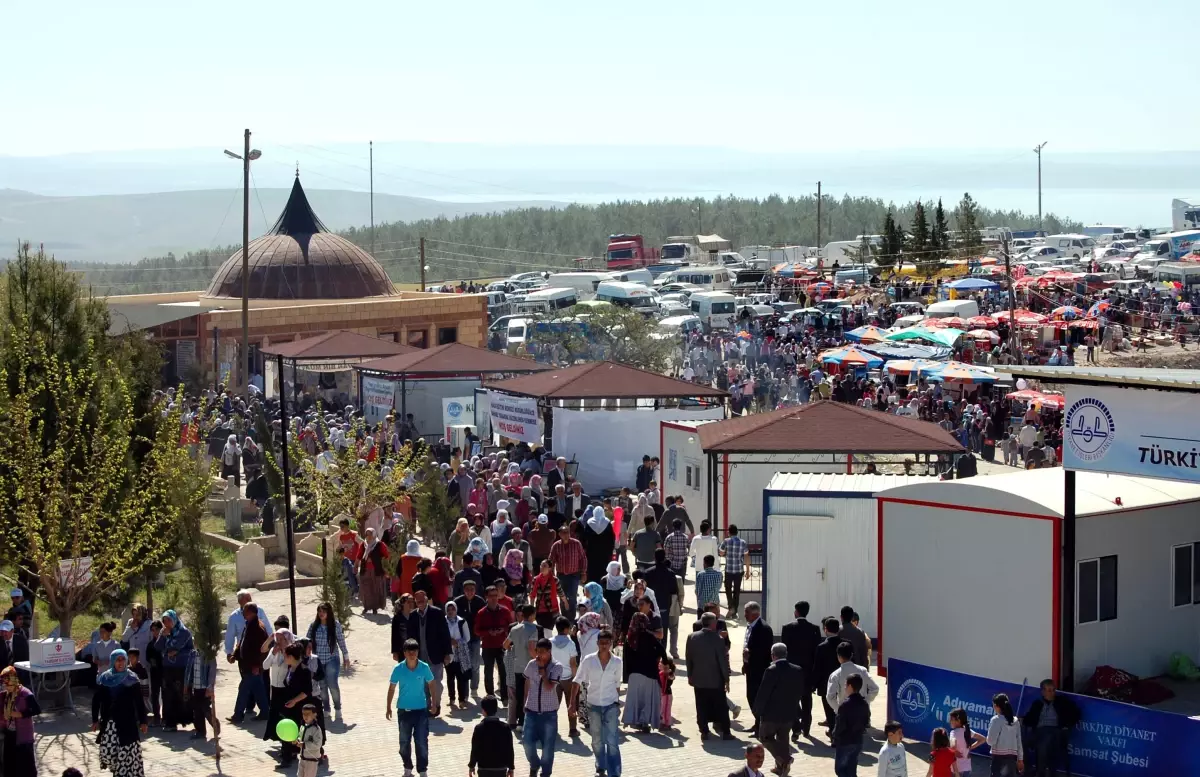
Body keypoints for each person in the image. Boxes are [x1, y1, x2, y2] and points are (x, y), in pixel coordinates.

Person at [91, 649, 148, 777]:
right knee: (109, 753)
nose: (120, 663)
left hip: (127, 723)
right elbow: (96, 701)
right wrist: (95, 720)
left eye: (123, 659)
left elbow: (139, 702)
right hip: (109, 723)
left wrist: (143, 721)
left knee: (126, 755)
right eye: (117, 660)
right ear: (113, 661)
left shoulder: (132, 678)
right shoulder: (105, 678)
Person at [575, 628, 622, 777]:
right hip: (593, 705)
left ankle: (614, 772)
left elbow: (617, 684)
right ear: (597, 643)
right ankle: (600, 767)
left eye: (607, 643)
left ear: (611, 644)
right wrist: (571, 704)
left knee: (612, 741)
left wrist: (617, 703)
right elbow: (577, 681)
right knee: (596, 740)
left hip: (611, 705)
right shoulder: (588, 660)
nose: (604, 646)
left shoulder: (617, 662)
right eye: (601, 643)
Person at [752, 643, 805, 777]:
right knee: (783, 739)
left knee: (765, 737)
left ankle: (785, 759)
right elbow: (800, 691)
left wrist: (757, 710)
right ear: (786, 654)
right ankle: (781, 768)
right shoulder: (797, 669)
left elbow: (763, 693)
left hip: (771, 714)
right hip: (789, 713)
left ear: (773, 655)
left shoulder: (771, 670)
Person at [387, 639, 434, 777]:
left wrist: (434, 702)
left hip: (421, 711)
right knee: (404, 742)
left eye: (414, 651)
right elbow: (391, 688)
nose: (412, 654)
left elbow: (431, 684)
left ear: (418, 652)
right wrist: (388, 706)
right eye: (409, 651)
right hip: (404, 712)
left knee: (421, 742)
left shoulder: (424, 667)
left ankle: (423, 770)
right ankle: (407, 767)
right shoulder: (398, 669)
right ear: (405, 653)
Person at [685, 612, 733, 741]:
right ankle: (726, 732)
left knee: (701, 706)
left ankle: (704, 731)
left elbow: (688, 659)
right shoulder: (718, 639)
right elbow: (722, 661)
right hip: (715, 680)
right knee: (721, 706)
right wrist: (726, 679)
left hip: (699, 680)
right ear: (712, 623)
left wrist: (690, 675)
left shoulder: (692, 637)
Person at [521, 638, 565, 777]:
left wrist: (542, 671)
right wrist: (524, 701)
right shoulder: (531, 664)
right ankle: (534, 764)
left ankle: (545, 773)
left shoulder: (557, 666)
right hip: (531, 711)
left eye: (542, 652)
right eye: (537, 651)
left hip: (549, 714)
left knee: (548, 748)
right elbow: (527, 683)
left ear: (549, 651)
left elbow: (549, 687)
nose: (539, 655)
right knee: (527, 742)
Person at [780, 600, 821, 739]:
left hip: (791, 671)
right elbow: (817, 653)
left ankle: (796, 727)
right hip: (808, 672)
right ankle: (807, 727)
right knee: (807, 700)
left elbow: (783, 651)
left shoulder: (787, 628)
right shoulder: (814, 629)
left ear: (796, 612)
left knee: (791, 701)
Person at [407, 591, 452, 717]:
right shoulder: (413, 616)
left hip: (435, 655)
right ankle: (428, 707)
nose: (420, 603)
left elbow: (445, 634)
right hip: (419, 657)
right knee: (423, 684)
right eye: (418, 601)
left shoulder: (437, 613)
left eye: (422, 600)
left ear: (427, 600)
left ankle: (436, 704)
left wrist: (447, 653)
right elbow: (409, 637)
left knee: (436, 683)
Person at [1022, 679, 1079, 777]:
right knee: (1022, 741)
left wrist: (1067, 726)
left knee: (1045, 741)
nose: (1052, 693)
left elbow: (1076, 714)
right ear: (1043, 692)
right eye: (1049, 690)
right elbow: (1029, 719)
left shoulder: (1062, 702)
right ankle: (1027, 769)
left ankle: (1041, 772)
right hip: (1039, 732)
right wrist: (1022, 720)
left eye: (1053, 690)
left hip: (1055, 731)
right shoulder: (1037, 704)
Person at [305, 602, 350, 719]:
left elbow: (341, 640)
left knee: (332, 684)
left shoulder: (335, 625)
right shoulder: (314, 626)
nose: (321, 614)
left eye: (323, 611)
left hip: (332, 659)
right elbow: (307, 640)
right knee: (322, 686)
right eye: (319, 611)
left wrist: (346, 656)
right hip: (318, 660)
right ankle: (326, 709)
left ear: (328, 612)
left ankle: (338, 708)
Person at [229, 601, 270, 724]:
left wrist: (257, 665)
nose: (243, 613)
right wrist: (235, 655)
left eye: (245, 611)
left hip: (253, 667)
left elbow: (263, 649)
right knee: (259, 689)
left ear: (251, 613)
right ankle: (265, 712)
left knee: (243, 689)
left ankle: (238, 715)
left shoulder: (258, 627)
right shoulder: (249, 624)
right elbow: (242, 643)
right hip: (247, 665)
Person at [277, 643, 316, 770]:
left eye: (285, 656)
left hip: (301, 706)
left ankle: (290, 757)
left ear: (291, 657)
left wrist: (294, 701)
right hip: (290, 705)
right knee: (289, 730)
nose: (284, 658)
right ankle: (288, 754)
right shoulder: (290, 668)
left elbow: (307, 691)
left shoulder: (304, 670)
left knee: (301, 731)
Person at [154, 610, 193, 732]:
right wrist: (163, 637)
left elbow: (183, 649)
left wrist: (175, 652)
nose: (167, 623)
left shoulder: (184, 632)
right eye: (164, 621)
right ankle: (170, 722)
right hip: (168, 668)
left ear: (174, 620)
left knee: (182, 694)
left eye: (169, 620)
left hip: (181, 667)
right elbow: (157, 647)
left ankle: (187, 719)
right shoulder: (164, 632)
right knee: (168, 694)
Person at [0, 666, 40, 777]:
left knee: (26, 767)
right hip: (10, 734)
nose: (5, 686)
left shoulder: (25, 693)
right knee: (10, 765)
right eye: (4, 684)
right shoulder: (6, 694)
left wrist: (20, 714)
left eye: (7, 683)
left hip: (23, 736)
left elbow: (36, 709)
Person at [476, 587, 514, 703]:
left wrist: (503, 630)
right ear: (486, 597)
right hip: (487, 646)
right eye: (491, 596)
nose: (493, 598)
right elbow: (477, 630)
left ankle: (504, 697)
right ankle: (490, 696)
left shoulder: (505, 611)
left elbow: (512, 627)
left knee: (504, 672)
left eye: (495, 596)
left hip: (502, 646)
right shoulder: (481, 613)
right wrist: (488, 632)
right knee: (488, 672)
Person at [505, 605, 540, 730]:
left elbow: (505, 644)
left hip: (517, 667)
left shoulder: (514, 629)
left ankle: (520, 722)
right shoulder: (533, 629)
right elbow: (531, 648)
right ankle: (527, 722)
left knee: (519, 695)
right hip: (529, 667)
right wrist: (539, 660)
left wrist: (513, 650)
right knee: (530, 695)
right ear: (531, 615)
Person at [826, 642, 879, 721]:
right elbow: (875, 688)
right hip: (861, 713)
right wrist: (866, 701)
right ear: (851, 655)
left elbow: (830, 696)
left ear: (838, 656)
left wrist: (838, 709)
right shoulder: (863, 670)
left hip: (845, 714)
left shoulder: (835, 674)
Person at [742, 602, 774, 735]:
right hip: (751, 668)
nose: (744, 615)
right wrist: (745, 663)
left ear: (755, 614)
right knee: (751, 696)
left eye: (746, 613)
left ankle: (761, 725)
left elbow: (764, 651)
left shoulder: (764, 628)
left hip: (759, 670)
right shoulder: (751, 626)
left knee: (757, 698)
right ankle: (757, 723)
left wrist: (750, 653)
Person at [832, 673, 870, 777]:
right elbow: (866, 721)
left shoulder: (845, 705)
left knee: (840, 770)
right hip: (858, 741)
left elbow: (840, 724)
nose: (844, 687)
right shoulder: (864, 703)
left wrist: (835, 736)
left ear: (849, 686)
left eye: (845, 685)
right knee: (852, 770)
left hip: (845, 741)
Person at [468, 695, 515, 777]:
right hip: (501, 768)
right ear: (496, 709)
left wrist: (472, 765)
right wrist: (511, 767)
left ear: (483, 711)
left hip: (484, 768)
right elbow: (509, 749)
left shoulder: (479, 728)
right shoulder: (505, 728)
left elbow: (475, 749)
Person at [454, 580, 487, 696]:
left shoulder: (480, 601)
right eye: (467, 589)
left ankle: (474, 688)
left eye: (472, 589)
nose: (469, 592)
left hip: (475, 638)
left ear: (475, 590)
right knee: (464, 665)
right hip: (462, 639)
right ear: (464, 590)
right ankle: (464, 692)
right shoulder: (457, 602)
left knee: (475, 664)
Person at [548, 524, 585, 625]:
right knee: (562, 597)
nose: (566, 535)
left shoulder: (576, 543)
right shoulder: (556, 545)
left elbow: (583, 558)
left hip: (574, 575)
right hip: (561, 576)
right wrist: (550, 575)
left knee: (572, 598)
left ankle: (571, 620)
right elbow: (551, 561)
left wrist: (583, 573)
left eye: (567, 532)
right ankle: (564, 619)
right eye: (563, 533)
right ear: (559, 534)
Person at [550, 616, 580, 737]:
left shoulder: (550, 642)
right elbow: (573, 663)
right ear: (567, 629)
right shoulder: (570, 643)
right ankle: (572, 729)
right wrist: (575, 678)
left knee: (553, 706)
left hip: (554, 678)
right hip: (568, 678)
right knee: (571, 704)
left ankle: (552, 729)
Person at [183, 647, 217, 742]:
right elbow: (188, 670)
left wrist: (210, 687)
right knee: (197, 710)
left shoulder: (209, 654)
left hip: (205, 687)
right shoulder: (192, 653)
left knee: (205, 708)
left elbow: (212, 672)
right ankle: (200, 732)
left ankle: (215, 723)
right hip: (195, 687)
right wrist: (186, 685)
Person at [986, 693, 1024, 777]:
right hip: (1012, 759)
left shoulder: (996, 720)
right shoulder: (1016, 721)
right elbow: (1019, 742)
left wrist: (987, 739)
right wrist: (1020, 759)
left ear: (996, 706)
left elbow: (991, 741)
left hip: (998, 759)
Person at [444, 601, 472, 710]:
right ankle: (452, 698)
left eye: (453, 609)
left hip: (461, 653)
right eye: (449, 610)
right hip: (448, 653)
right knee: (450, 677)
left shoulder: (462, 621)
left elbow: (467, 637)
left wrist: (457, 642)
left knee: (461, 678)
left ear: (456, 610)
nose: (451, 612)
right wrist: (449, 641)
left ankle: (461, 700)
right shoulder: (443, 622)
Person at [719, 524, 750, 619]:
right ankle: (734, 611)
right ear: (737, 532)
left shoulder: (726, 541)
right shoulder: (743, 542)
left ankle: (731, 607)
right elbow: (746, 556)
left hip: (729, 569)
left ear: (729, 532)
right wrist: (748, 570)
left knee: (728, 589)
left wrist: (725, 553)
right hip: (739, 570)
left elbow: (721, 552)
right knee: (736, 591)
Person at [580, 505, 616, 584]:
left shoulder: (589, 522)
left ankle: (591, 584)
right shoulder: (607, 522)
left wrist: (584, 548)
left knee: (592, 568)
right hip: (605, 552)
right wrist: (611, 550)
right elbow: (612, 538)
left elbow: (584, 538)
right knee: (603, 568)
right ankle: (603, 584)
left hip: (592, 551)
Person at [359, 528, 391, 614]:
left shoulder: (379, 544)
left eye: (370, 534)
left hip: (376, 570)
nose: (368, 536)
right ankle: (366, 606)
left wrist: (386, 567)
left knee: (375, 589)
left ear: (374, 534)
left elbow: (387, 555)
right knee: (366, 589)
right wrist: (355, 566)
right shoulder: (363, 545)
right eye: (367, 534)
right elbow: (359, 556)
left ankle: (375, 607)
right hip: (365, 570)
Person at [530, 560, 562, 636]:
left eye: (544, 566)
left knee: (547, 632)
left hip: (551, 611)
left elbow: (560, 592)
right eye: (541, 565)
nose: (542, 567)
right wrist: (532, 609)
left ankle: (548, 646)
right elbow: (532, 595)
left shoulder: (555, 580)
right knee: (541, 631)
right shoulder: (535, 580)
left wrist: (566, 602)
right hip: (539, 611)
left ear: (550, 568)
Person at [949, 708, 984, 777]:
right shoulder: (968, 731)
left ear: (958, 720)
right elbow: (983, 739)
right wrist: (969, 748)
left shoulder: (953, 733)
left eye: (951, 719)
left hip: (955, 769)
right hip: (967, 768)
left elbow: (953, 746)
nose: (950, 721)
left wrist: (953, 751)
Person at [296, 703, 325, 777]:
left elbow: (317, 745)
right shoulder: (303, 726)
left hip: (311, 760)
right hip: (302, 758)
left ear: (314, 715)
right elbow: (300, 737)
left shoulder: (316, 729)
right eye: (303, 714)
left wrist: (304, 745)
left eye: (308, 714)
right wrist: (297, 741)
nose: (305, 716)